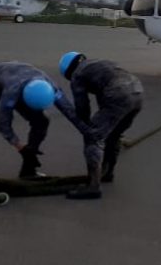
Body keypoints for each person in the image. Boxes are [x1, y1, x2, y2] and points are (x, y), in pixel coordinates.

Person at [0, 61, 88, 184]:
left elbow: (71, 113)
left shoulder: (52, 88)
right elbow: (3, 124)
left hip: (18, 80)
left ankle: (28, 170)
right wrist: (21, 148)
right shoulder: (12, 92)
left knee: (42, 121)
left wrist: (89, 133)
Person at [58, 51, 144, 200]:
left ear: (68, 71)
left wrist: (88, 127)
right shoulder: (97, 64)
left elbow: (82, 105)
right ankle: (107, 172)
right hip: (137, 92)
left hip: (118, 93)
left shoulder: (78, 74)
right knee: (114, 135)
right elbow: (103, 99)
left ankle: (93, 187)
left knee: (93, 138)